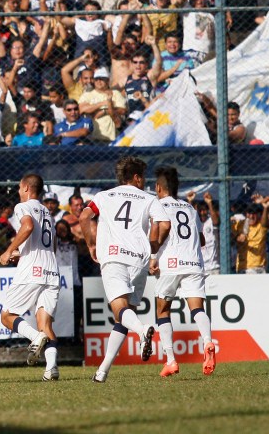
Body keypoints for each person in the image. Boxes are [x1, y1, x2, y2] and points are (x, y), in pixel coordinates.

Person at [79, 156, 171, 383]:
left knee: (120, 311)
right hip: (139, 259)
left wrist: (91, 244)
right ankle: (102, 371)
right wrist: (155, 246)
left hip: (113, 257)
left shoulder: (104, 196)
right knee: (123, 316)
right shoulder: (149, 198)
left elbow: (84, 216)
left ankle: (142, 330)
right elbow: (165, 224)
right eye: (144, 177)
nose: (145, 181)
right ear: (137, 178)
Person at [150, 166, 216, 377]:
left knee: (162, 310)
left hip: (169, 263)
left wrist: (152, 255)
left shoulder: (158, 206)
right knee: (197, 308)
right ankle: (208, 342)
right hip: (194, 262)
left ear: (158, 187)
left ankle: (171, 360)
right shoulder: (190, 209)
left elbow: (158, 232)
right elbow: (201, 240)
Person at [0, 174, 61, 380]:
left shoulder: (22, 206)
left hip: (32, 271)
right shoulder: (47, 212)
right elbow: (50, 245)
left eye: (19, 187)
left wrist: (9, 250)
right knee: (45, 324)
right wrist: (21, 253)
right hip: (51, 271)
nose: (18, 191)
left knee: (7, 316)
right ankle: (51, 368)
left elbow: (27, 227)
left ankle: (35, 337)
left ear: (25, 187)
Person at [235, 199, 269, 274]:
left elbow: (265, 223)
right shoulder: (240, 224)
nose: (251, 216)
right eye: (249, 213)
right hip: (245, 267)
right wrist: (238, 238)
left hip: (260, 267)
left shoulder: (261, 225)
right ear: (245, 213)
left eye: (254, 213)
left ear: (258, 214)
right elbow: (231, 236)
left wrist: (265, 205)